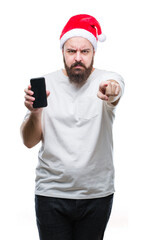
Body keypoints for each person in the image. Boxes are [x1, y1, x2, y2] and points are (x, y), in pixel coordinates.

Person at [20, 14, 125, 240]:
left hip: (97, 194)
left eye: (85, 51)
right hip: (51, 194)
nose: (78, 58)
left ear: (94, 52)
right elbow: (29, 141)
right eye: (71, 51)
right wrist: (34, 112)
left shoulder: (108, 79)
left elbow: (115, 90)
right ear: (62, 52)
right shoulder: (45, 84)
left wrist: (112, 91)